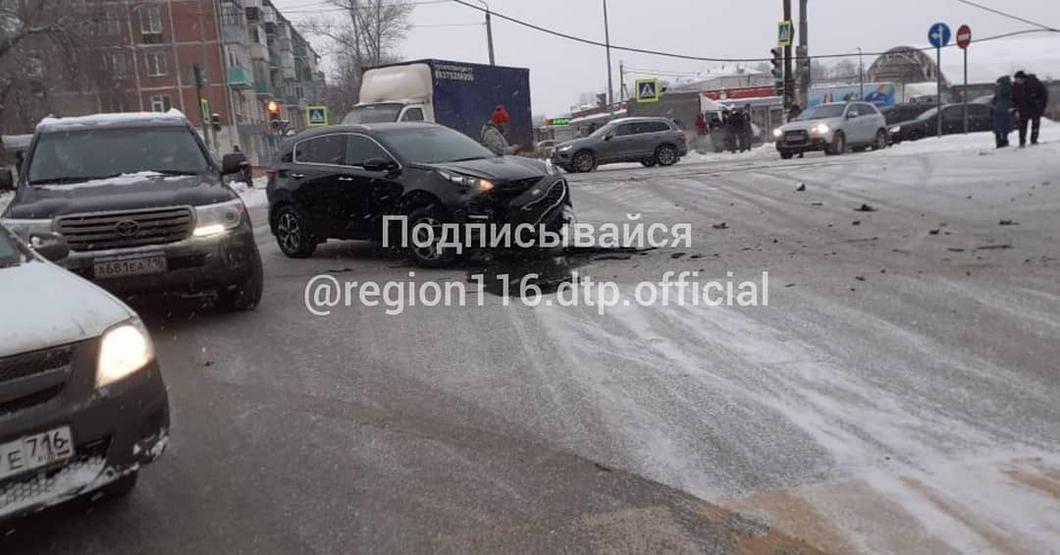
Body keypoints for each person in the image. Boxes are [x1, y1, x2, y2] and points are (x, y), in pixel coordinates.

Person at [1013, 70, 1049, 147]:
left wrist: (1041, 105)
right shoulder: (1015, 86)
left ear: (1023, 79)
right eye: (1016, 80)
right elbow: (1014, 98)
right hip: (1023, 108)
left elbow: (1044, 95)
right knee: (1022, 125)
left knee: (1035, 124)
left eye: (1018, 80)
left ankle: (1034, 140)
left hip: (1035, 107)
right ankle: (1022, 142)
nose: (1017, 81)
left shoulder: (1034, 84)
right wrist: (1016, 109)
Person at [991, 76, 1014, 149]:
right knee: (1005, 127)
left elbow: (995, 99)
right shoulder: (1009, 87)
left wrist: (994, 105)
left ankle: (999, 142)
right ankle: (1004, 141)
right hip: (1006, 109)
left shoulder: (998, 88)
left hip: (998, 110)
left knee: (998, 127)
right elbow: (1011, 98)